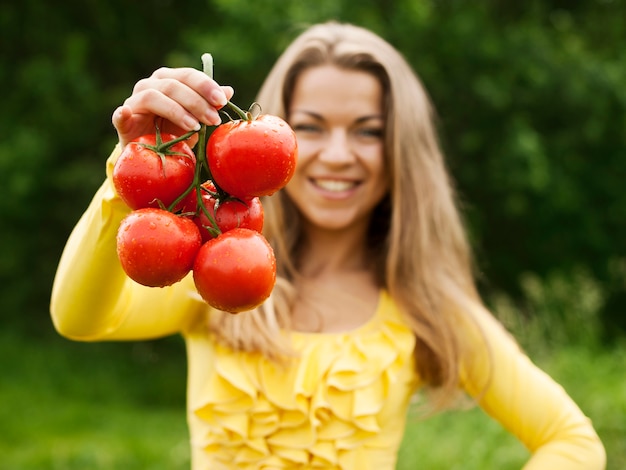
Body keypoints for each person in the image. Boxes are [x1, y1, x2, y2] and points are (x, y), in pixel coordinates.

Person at [50, 21, 606, 469]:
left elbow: (573, 441)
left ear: (401, 151)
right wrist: (130, 175)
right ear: (266, 134)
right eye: (312, 127)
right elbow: (79, 318)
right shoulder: (217, 276)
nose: (338, 154)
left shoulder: (424, 308)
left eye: (367, 130)